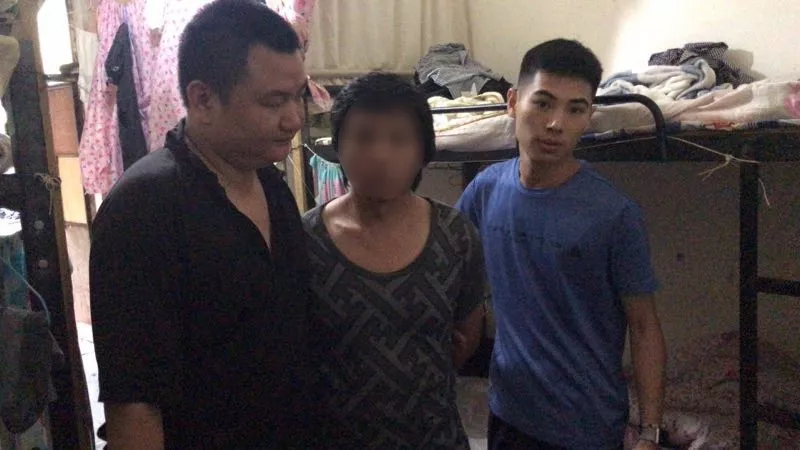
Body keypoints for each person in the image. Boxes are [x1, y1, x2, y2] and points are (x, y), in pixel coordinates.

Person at [90, 1, 318, 448]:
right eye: (274, 101)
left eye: (299, 97)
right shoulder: (144, 207)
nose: (294, 119)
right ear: (202, 99)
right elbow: (135, 403)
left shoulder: (272, 186)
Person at [456, 39, 667, 450]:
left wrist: (650, 432)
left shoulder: (613, 213)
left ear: (588, 117)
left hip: (586, 426)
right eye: (543, 103)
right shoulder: (486, 189)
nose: (556, 124)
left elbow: (644, 327)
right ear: (513, 102)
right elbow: (444, 266)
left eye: (575, 109)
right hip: (508, 414)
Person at [303, 72, 486, 449]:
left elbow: (465, 338)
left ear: (423, 152)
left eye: (399, 139)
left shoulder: (455, 235)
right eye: (363, 137)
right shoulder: (305, 240)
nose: (381, 155)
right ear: (338, 146)